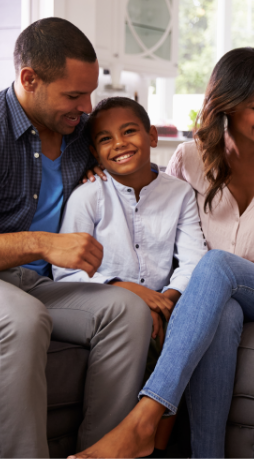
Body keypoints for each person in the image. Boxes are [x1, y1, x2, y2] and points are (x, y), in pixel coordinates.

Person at [71, 47, 254, 459]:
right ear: (228, 103)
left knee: (216, 263)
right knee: (223, 312)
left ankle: (144, 419)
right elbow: (154, 207)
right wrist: (103, 177)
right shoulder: (189, 157)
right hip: (216, 295)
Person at [0, 18, 152, 458]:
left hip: (40, 284)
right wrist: (43, 244)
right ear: (29, 79)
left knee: (128, 312)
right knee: (24, 320)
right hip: (8, 287)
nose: (86, 107)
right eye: (73, 95)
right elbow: (46, 246)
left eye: (89, 93)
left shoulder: (80, 135)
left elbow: (131, 160)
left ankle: (97, 453)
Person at [52, 97, 208, 454]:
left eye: (129, 131)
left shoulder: (179, 193)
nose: (119, 143)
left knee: (181, 329)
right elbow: (66, 272)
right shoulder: (88, 196)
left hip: (160, 301)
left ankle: (153, 446)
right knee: (141, 321)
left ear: (152, 135)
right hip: (99, 299)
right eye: (106, 139)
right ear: (94, 151)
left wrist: (166, 302)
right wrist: (131, 292)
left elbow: (194, 259)